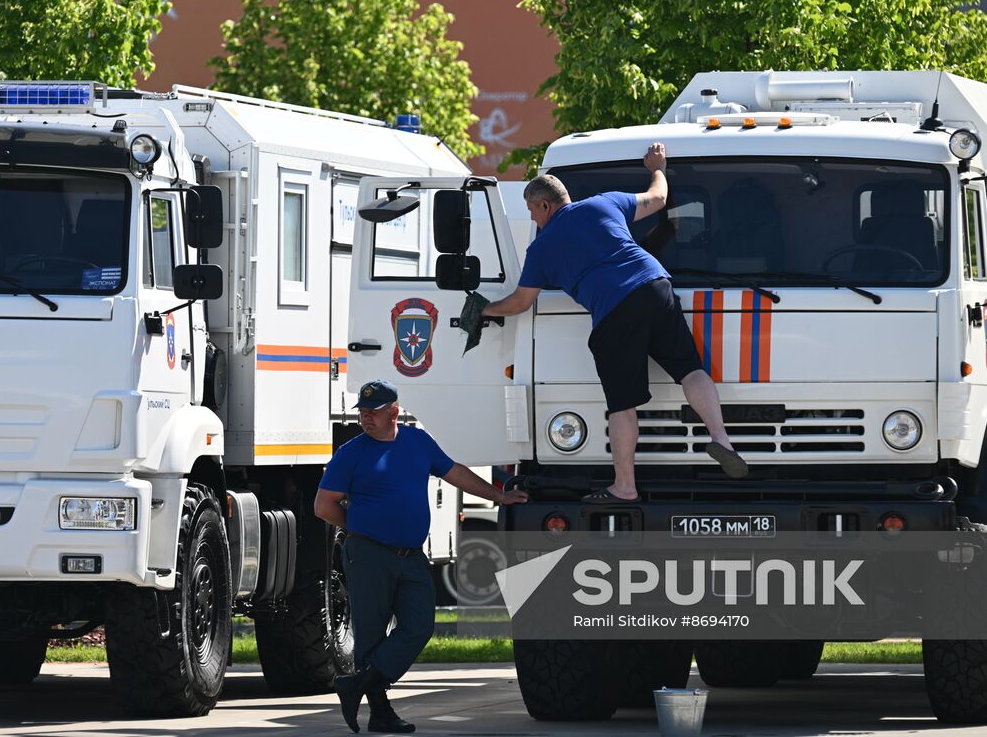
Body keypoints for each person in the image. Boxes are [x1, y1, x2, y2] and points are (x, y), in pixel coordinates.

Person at [483, 142, 749, 502]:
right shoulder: (603, 203)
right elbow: (657, 199)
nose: (532, 218)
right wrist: (657, 166)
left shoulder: (542, 248)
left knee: (622, 404)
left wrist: (484, 310)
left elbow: (520, 303)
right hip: (656, 284)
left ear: (545, 205)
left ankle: (624, 486)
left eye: (532, 210)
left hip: (614, 308)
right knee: (690, 368)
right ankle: (720, 437)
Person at [315, 379, 528, 733]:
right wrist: (361, 529)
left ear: (394, 411)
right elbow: (324, 506)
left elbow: (455, 472)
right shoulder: (351, 452)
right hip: (368, 554)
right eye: (362, 412)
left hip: (411, 555)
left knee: (419, 627)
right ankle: (380, 713)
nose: (366, 418)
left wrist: (499, 495)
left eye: (374, 412)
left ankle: (356, 683)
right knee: (371, 634)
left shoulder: (418, 442)